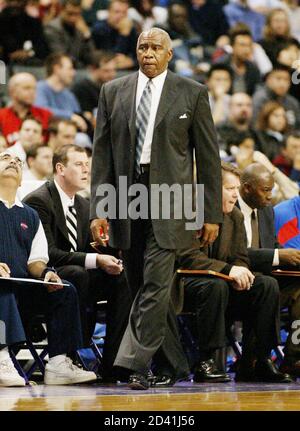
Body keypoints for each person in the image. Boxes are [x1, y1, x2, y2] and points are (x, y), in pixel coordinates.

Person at [90, 27, 223, 390]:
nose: (147, 53)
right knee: (142, 288)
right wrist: (99, 209)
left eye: (155, 47)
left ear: (169, 55)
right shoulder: (112, 91)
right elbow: (101, 154)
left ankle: (134, 364)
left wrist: (210, 213)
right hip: (124, 196)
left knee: (154, 283)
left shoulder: (192, 92)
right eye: (142, 47)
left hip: (172, 199)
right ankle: (175, 364)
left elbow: (208, 160)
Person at [172, 162, 292, 383]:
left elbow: (240, 257)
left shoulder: (234, 216)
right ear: (210, 189)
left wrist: (242, 272)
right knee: (215, 286)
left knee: (265, 284)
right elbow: (188, 257)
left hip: (223, 284)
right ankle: (207, 361)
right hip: (186, 284)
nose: (236, 195)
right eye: (230, 189)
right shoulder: (188, 212)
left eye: (237, 189)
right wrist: (229, 271)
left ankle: (260, 359)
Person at [24, 145, 131, 382]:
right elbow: (48, 253)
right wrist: (96, 259)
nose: (86, 170)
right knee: (76, 273)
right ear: (60, 168)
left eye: (87, 164)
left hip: (77, 276)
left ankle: (113, 363)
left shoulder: (84, 206)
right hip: (43, 278)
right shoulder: (39, 201)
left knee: (121, 278)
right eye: (79, 164)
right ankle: (67, 356)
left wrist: (112, 254)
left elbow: (91, 249)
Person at [0, 151, 97, 386]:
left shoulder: (30, 215)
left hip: (25, 288)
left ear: (22, 179)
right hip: (3, 288)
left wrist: (46, 274)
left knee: (64, 289)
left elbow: (36, 261)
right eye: (5, 158)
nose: (13, 162)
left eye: (17, 162)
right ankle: (2, 356)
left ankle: (58, 362)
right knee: (2, 287)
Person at [238, 163, 300, 377]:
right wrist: (279, 256)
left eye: (271, 190)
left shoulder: (266, 212)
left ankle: (293, 358)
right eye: (266, 190)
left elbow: (273, 247)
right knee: (267, 285)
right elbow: (232, 254)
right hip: (233, 283)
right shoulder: (228, 209)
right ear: (246, 188)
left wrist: (292, 258)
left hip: (264, 281)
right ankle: (256, 360)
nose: (270, 196)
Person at [0, 73, 52, 146]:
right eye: (27, 88)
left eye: (34, 88)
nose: (32, 92)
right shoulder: (1, 116)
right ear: (12, 91)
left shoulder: (46, 115)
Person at [44, 0, 95, 67]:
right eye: (70, 13)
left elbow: (91, 58)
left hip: (77, 69)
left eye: (77, 14)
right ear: (61, 11)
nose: (73, 18)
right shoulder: (51, 28)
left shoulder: (80, 29)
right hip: (59, 69)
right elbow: (62, 57)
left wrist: (86, 35)